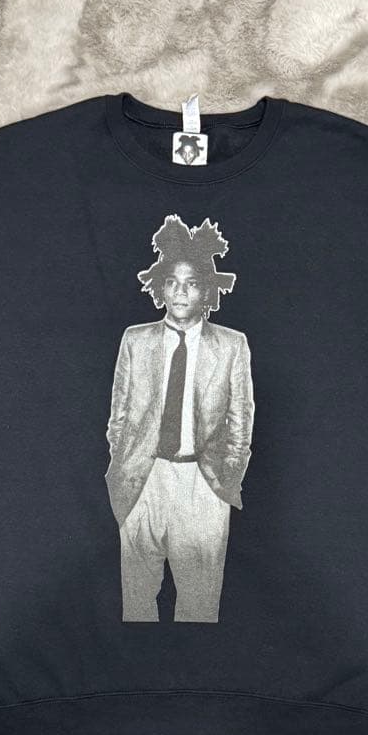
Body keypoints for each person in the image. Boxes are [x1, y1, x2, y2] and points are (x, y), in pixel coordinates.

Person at [105, 213, 254, 621]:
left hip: (203, 485)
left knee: (199, 608)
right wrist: (126, 463)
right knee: (137, 606)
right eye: (172, 282)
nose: (181, 292)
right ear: (160, 288)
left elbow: (241, 421)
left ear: (206, 290)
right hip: (144, 479)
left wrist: (225, 478)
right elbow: (118, 416)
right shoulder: (135, 340)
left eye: (191, 283)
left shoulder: (232, 346)